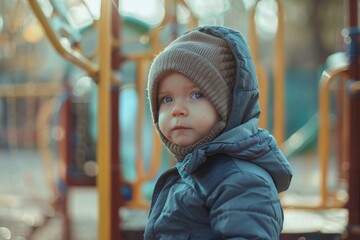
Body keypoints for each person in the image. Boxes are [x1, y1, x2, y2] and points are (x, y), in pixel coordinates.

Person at [144, 25, 293, 239]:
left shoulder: (242, 181)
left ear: (229, 104)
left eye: (196, 95)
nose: (177, 109)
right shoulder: (196, 172)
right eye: (167, 99)